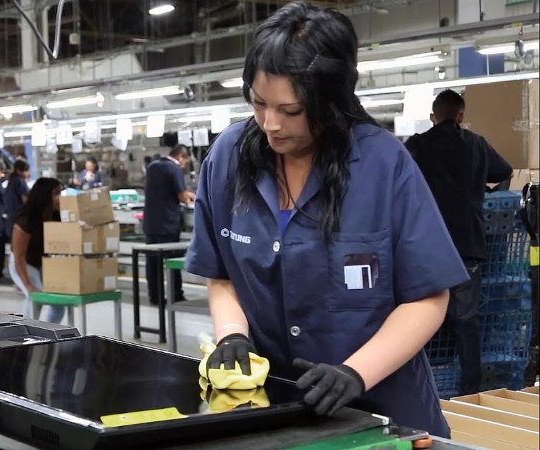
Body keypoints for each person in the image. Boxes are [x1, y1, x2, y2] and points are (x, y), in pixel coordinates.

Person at [184, 2, 468, 437]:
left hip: (384, 413)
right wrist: (232, 335)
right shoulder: (228, 158)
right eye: (259, 103)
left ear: (331, 101)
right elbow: (221, 273)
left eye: (291, 111)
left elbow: (428, 297)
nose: (270, 124)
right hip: (279, 414)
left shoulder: (382, 164)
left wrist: (355, 373)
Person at [405, 89, 512, 395]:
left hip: (427, 248)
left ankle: (422, 386)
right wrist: (484, 189)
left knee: (421, 320)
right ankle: (471, 391)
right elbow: (503, 171)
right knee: (466, 321)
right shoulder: (476, 144)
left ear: (432, 117)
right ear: (461, 116)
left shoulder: (417, 145)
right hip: (467, 245)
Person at [7, 177, 65, 323]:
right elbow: (19, 256)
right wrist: (27, 284)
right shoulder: (26, 220)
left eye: (61, 193)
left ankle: (51, 334)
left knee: (59, 303)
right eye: (56, 193)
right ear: (44, 196)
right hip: (23, 263)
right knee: (36, 297)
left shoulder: (58, 215)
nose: (60, 198)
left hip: (43, 263)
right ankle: (27, 335)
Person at [143, 144, 195, 305]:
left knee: (153, 263)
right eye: (184, 162)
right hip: (168, 224)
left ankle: (155, 296)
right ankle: (176, 295)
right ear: (181, 157)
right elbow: (182, 197)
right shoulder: (174, 169)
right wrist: (191, 197)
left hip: (151, 222)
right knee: (172, 261)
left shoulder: (152, 166)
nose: (184, 165)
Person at [4, 159, 30, 241]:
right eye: (26, 171)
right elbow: (26, 200)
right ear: (19, 171)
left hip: (11, 222)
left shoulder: (10, 181)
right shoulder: (20, 181)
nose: (27, 173)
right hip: (19, 221)